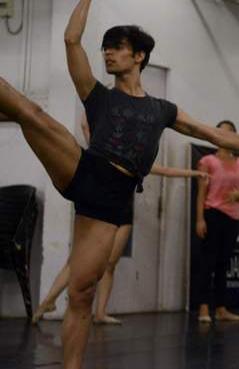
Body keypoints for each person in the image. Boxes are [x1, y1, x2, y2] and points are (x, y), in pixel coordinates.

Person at [0, 0, 239, 369]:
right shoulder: (96, 95)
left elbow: (216, 135)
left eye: (117, 47)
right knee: (35, 114)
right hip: (85, 169)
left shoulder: (162, 110)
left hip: (112, 199)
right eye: (107, 47)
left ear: (139, 57)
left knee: (82, 291)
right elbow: (70, 41)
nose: (108, 53)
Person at [32, 116, 206, 325]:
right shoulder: (100, 150)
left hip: (123, 215)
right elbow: (87, 126)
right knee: (77, 260)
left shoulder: (134, 161)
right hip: (97, 212)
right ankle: (47, 301)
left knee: (110, 265)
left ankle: (100, 312)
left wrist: (193, 173)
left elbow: (166, 171)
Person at [195, 120, 239, 323]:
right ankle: (203, 307)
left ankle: (220, 308)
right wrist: (200, 219)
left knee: (223, 263)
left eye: (230, 133)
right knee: (207, 261)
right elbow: (201, 193)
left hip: (232, 217)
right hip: (213, 213)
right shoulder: (207, 161)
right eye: (222, 132)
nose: (226, 136)